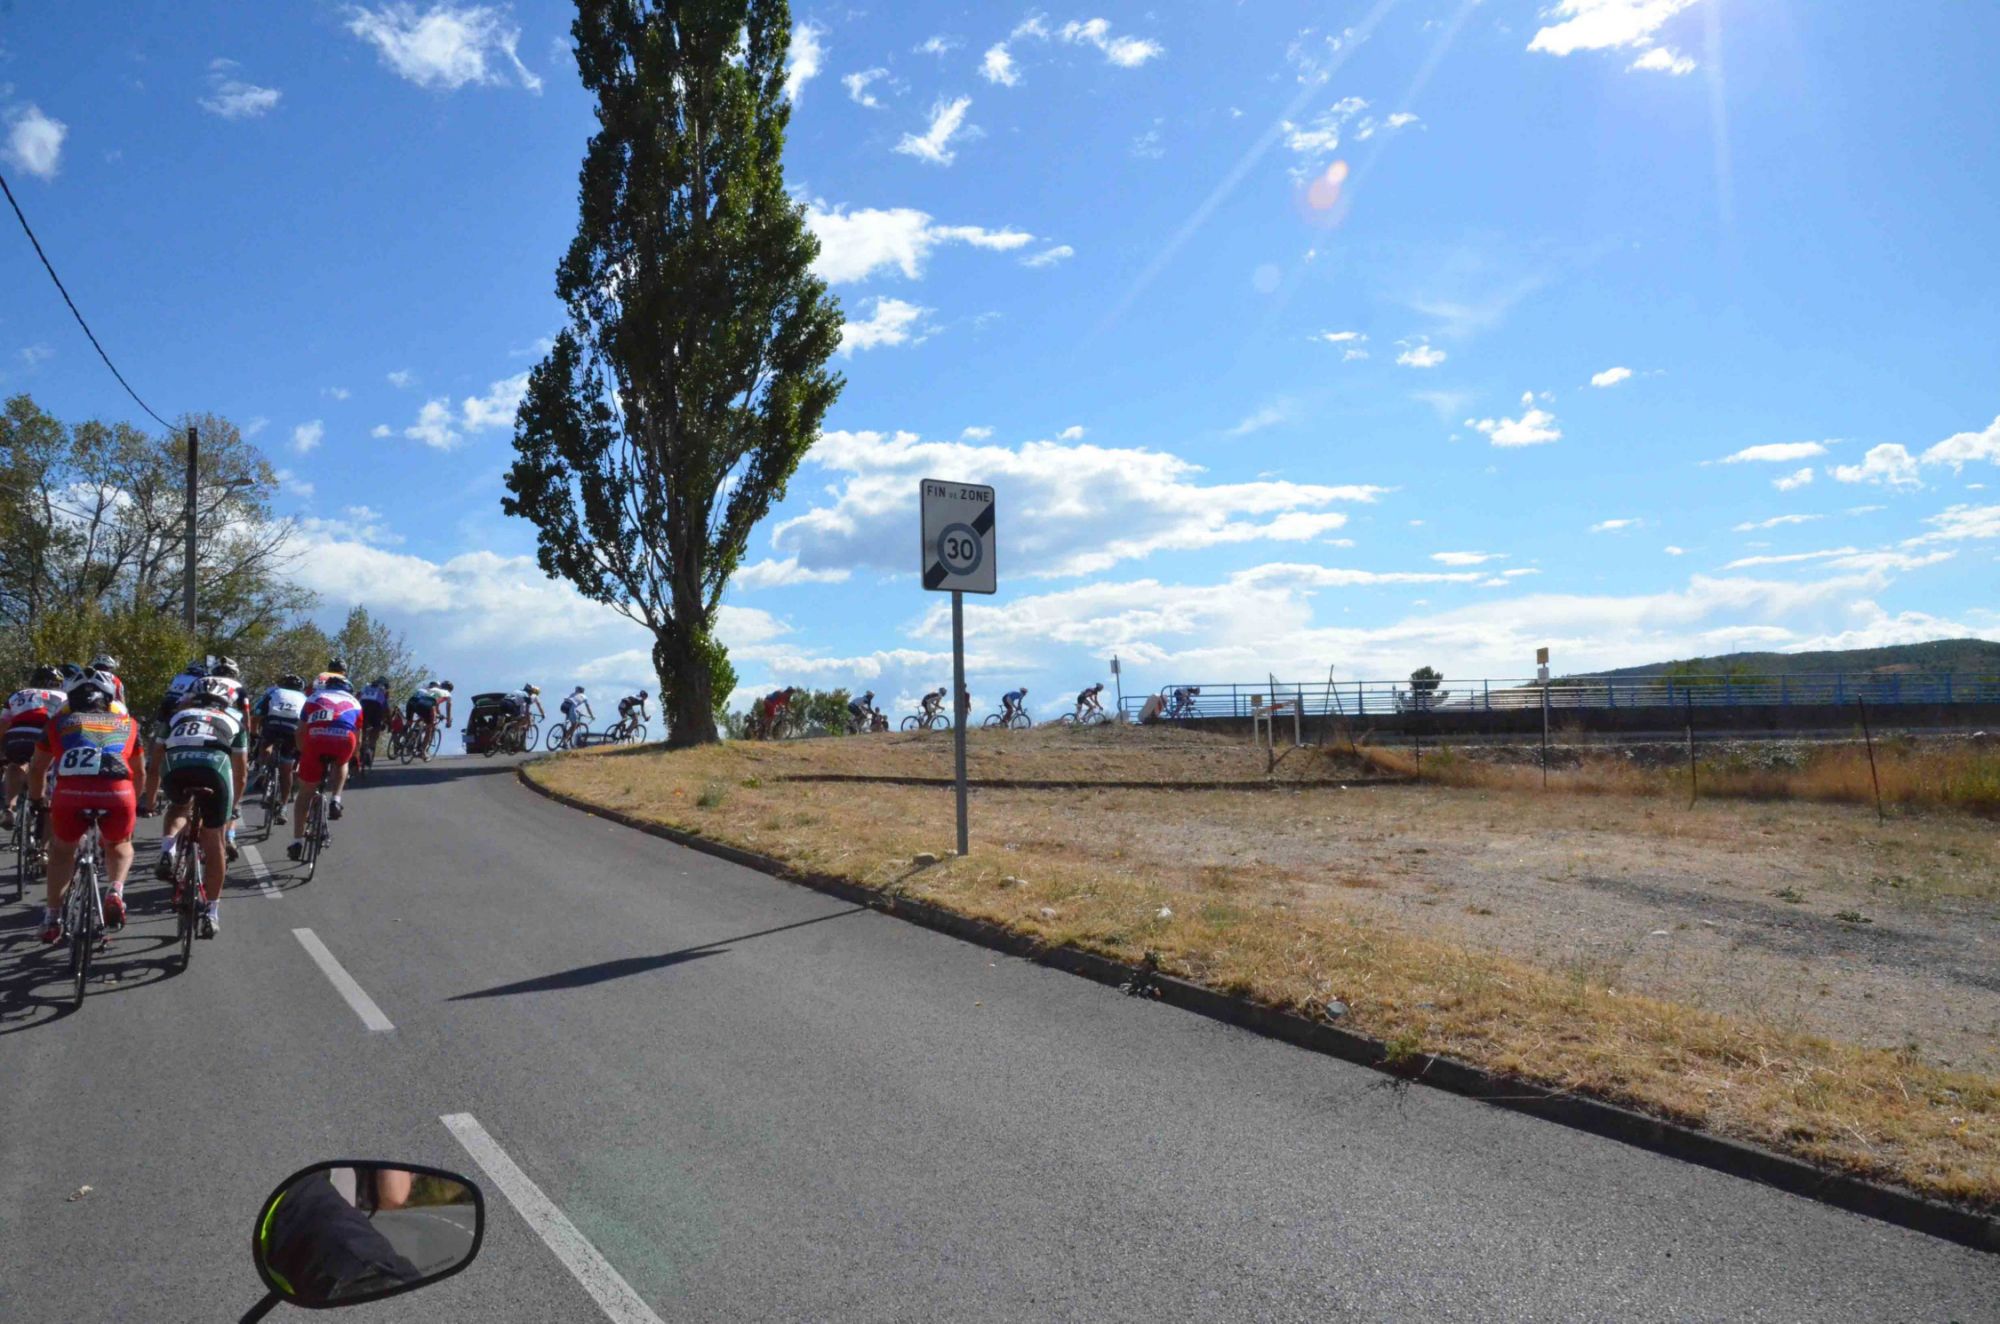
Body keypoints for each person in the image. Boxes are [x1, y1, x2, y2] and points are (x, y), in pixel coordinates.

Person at [31, 670, 144, 942]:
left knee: (62, 851)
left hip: (70, 793)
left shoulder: (58, 723)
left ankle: (52, 918)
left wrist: (37, 800)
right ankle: (115, 890)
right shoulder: (128, 724)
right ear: (110, 699)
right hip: (117, 794)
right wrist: (136, 802)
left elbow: (37, 768)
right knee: (119, 845)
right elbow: (140, 772)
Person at [154, 677, 249, 938]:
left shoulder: (176, 716)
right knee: (215, 841)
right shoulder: (234, 721)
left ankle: (168, 849)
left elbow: (155, 760)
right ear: (225, 703)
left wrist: (148, 800)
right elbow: (241, 774)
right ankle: (211, 912)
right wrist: (233, 806)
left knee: (178, 808)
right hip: (214, 772)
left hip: (177, 770)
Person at [289, 676, 362, 861]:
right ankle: (335, 799)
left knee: (305, 794)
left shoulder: (314, 697)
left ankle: (297, 841)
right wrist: (355, 757)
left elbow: (300, 731)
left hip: (317, 739)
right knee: (343, 762)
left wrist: (303, 752)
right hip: (344, 739)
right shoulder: (355, 702)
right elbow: (358, 738)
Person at [2, 664, 69, 831]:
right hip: (44, 734)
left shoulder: (18, 694)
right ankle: (42, 805)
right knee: (44, 770)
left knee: (15, 764)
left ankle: (9, 808)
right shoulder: (64, 697)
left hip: (17, 734)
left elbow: (3, 724)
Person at [143, 658, 208, 810]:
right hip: (181, 707)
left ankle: (151, 757)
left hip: (166, 706)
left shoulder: (179, 676)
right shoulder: (200, 680)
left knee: (160, 732)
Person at [252, 673, 309, 823]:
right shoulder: (305, 698)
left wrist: (253, 734)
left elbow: (257, 714)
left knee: (266, 743)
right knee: (286, 769)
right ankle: (283, 807)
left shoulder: (274, 692)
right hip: (292, 729)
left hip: (273, 725)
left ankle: (263, 769)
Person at [358, 676, 392, 762]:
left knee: (362, 727)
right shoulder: (383, 689)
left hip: (363, 706)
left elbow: (357, 696)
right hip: (376, 707)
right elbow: (386, 709)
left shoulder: (366, 686)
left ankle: (361, 743)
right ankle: (371, 747)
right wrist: (389, 723)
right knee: (377, 727)